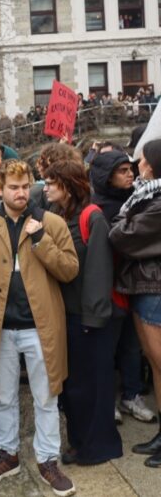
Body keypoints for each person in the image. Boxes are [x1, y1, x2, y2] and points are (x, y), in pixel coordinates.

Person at [0, 159, 79, 496]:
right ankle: (8, 454)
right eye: (14, 187)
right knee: (3, 396)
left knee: (46, 396)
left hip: (41, 328)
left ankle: (47, 460)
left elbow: (70, 269)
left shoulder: (51, 222)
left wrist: (41, 239)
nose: (21, 193)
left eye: (26, 186)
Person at [43, 160, 122, 466]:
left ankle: (98, 448)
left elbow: (99, 272)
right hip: (68, 315)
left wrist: (93, 318)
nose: (46, 188)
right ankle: (80, 442)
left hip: (89, 318)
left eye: (51, 182)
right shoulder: (60, 216)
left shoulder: (93, 216)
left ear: (68, 185)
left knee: (95, 388)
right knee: (75, 387)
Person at [90, 151, 155, 423]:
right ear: (107, 176)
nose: (130, 174)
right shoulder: (96, 207)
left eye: (131, 169)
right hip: (109, 288)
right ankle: (108, 400)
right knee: (107, 348)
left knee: (131, 345)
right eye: (122, 170)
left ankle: (132, 394)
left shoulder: (139, 199)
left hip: (133, 285)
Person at [109, 139, 161, 468]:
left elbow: (122, 235)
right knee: (155, 366)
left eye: (140, 160)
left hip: (154, 288)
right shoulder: (146, 196)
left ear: (152, 164)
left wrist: (120, 218)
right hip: (146, 286)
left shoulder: (156, 201)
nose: (136, 165)